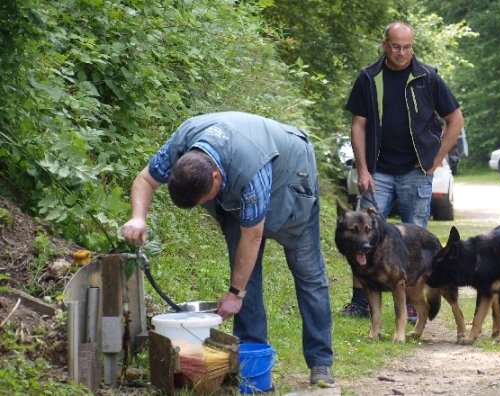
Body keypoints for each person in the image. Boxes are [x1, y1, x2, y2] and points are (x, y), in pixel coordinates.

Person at [120, 112, 335, 388]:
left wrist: (234, 294)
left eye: (204, 200)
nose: (202, 207)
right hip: (237, 187)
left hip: (292, 174)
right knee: (243, 271)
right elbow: (145, 180)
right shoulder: (183, 144)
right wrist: (138, 217)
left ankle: (321, 362)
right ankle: (250, 358)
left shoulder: (251, 170)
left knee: (306, 269)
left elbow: (253, 237)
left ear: (216, 177)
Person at [342, 21, 464, 321]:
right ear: (384, 45)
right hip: (377, 172)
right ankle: (361, 301)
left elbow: (455, 119)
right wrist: (363, 169)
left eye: (407, 47)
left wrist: (434, 161)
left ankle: (410, 303)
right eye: (396, 46)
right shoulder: (369, 78)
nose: (402, 52)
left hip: (415, 171)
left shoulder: (428, 77)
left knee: (412, 238)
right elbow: (358, 124)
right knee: (362, 234)